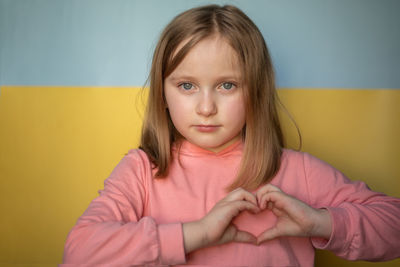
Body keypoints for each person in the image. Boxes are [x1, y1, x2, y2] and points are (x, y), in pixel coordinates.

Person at [63, 4, 400, 266]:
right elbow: (79, 253)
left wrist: (321, 223)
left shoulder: (297, 171)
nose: (206, 107)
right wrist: (196, 234)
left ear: (255, 91)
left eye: (227, 85)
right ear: (163, 95)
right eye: (187, 86)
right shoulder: (141, 171)